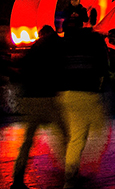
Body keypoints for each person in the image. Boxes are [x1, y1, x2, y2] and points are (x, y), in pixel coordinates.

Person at [59, 16, 111, 189]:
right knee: (98, 131)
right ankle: (82, 171)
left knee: (76, 138)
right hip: (88, 93)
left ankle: (71, 176)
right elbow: (104, 64)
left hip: (68, 93)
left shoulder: (65, 43)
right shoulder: (94, 39)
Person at [12, 25, 64, 189]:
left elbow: (22, 66)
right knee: (65, 136)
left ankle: (18, 178)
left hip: (30, 97)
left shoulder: (36, 47)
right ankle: (70, 172)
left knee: (27, 140)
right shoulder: (56, 44)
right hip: (48, 97)